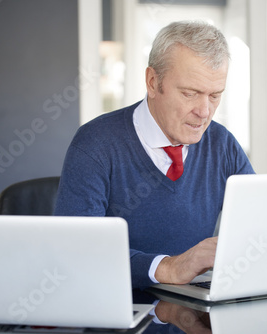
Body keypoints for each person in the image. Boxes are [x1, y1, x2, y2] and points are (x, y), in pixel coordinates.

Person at [54, 21, 255, 289]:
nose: (204, 111)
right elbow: (76, 250)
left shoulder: (222, 144)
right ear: (152, 82)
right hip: (122, 316)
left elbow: (260, 229)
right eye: (190, 94)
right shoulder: (95, 145)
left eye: (215, 96)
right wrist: (169, 268)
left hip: (194, 317)